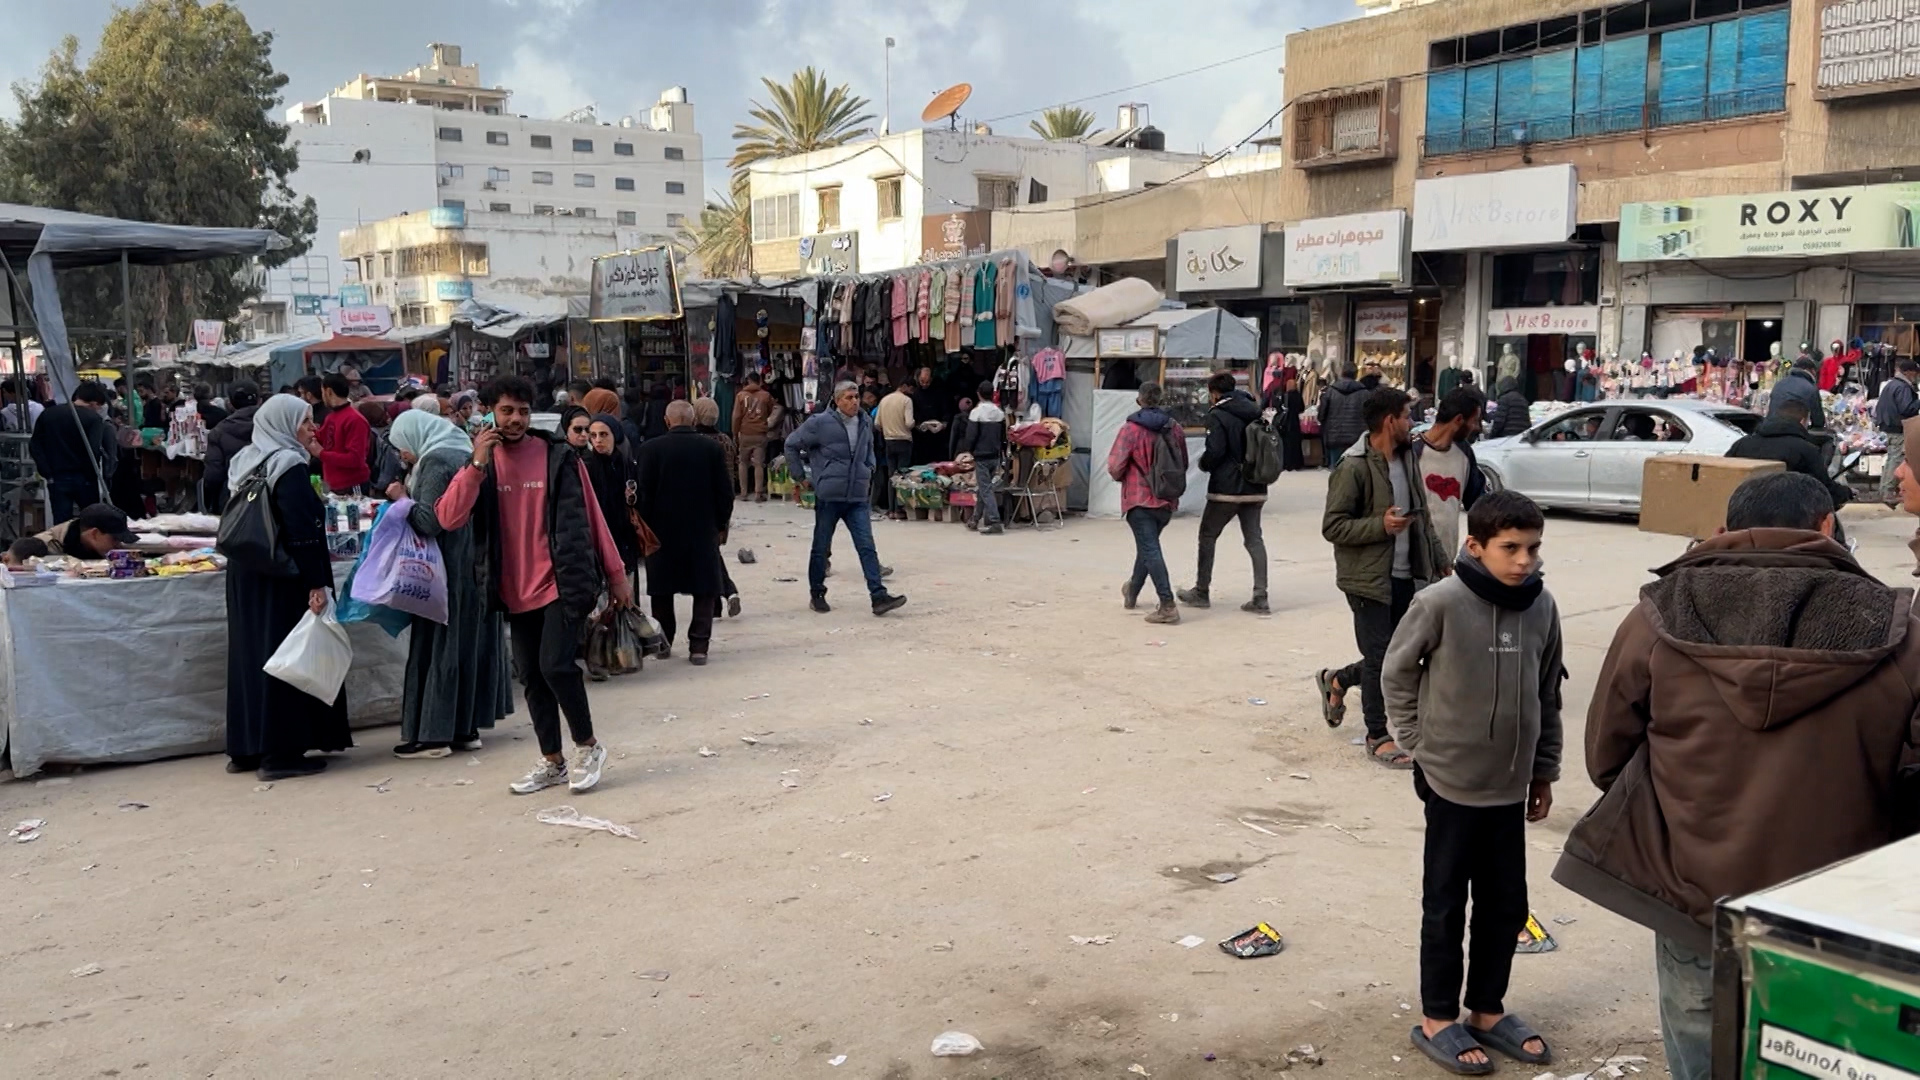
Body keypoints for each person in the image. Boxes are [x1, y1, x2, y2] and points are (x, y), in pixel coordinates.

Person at [1553, 470, 1920, 1080]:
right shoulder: (1896, 629)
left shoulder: (1659, 618)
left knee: (1700, 1055)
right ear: (1826, 525)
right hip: (1834, 917)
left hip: (1694, 899)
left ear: (1727, 527)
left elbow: (1605, 757)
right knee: (1807, 1057)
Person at [1385, 491, 1561, 1075]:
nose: (1523, 561)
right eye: (1509, 548)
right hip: (1452, 784)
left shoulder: (1542, 608)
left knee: (1506, 903)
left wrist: (1544, 768)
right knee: (1444, 904)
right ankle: (1439, 1016)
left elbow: (1547, 695)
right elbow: (1395, 674)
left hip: (1511, 785)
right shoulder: (1440, 602)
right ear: (1475, 546)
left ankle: (1486, 1010)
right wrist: (1417, 745)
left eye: (1532, 548)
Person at [435, 375, 631, 796]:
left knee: (556, 665)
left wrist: (617, 575)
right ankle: (552, 761)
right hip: (511, 588)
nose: (516, 419)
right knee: (532, 676)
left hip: (561, 581)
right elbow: (448, 518)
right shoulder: (479, 464)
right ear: (489, 412)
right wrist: (475, 466)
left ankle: (588, 747)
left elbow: (594, 517)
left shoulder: (557, 455)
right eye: (506, 411)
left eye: (523, 411)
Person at [222, 395, 351, 781]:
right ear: (284, 424)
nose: (314, 428)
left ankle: (248, 748)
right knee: (290, 656)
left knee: (252, 656)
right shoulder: (289, 464)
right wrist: (316, 583)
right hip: (284, 575)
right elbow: (301, 532)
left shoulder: (246, 461)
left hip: (249, 573)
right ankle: (281, 753)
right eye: (305, 421)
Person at [1318, 387, 1448, 769]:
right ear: (1390, 421)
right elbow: (1333, 526)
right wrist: (1380, 525)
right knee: (1380, 658)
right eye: (1407, 416)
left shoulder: (1408, 458)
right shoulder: (1354, 465)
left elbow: (1422, 513)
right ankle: (1377, 735)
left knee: (1401, 655)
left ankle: (1338, 680)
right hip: (1368, 580)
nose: (1412, 422)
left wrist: (1439, 559)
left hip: (1408, 576)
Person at [384, 410, 510, 760]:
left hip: (445, 571)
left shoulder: (438, 461)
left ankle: (433, 735)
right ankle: (464, 729)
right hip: (476, 568)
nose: (402, 455)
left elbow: (430, 521)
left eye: (401, 447)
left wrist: (400, 498)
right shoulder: (466, 454)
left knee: (439, 646)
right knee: (467, 644)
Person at [787, 381, 908, 616]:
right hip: (829, 496)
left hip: (857, 497)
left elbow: (870, 449)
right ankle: (817, 593)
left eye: (856, 397)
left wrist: (868, 468)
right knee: (821, 548)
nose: (854, 402)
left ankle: (878, 596)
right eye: (848, 397)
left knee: (866, 546)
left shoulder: (864, 422)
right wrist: (799, 476)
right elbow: (791, 444)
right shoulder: (819, 423)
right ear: (837, 400)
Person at [633, 401, 735, 663]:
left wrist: (644, 528)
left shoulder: (649, 450)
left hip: (661, 531)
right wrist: (721, 523)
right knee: (704, 587)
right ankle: (699, 646)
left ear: (667, 421)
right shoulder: (711, 448)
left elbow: (643, 494)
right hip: (702, 529)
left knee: (662, 589)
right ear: (692, 420)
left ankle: (664, 642)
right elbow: (725, 491)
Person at [1179, 372, 1269, 613]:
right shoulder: (1254, 409)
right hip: (1256, 485)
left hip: (1226, 489)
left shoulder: (1217, 414)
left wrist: (1204, 464)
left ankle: (1201, 591)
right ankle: (1260, 596)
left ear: (1214, 392)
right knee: (1254, 539)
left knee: (1208, 535)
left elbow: (1216, 450)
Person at [1107, 381, 1186, 626]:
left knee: (1150, 549)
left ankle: (1167, 604)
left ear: (1139, 400)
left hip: (1139, 498)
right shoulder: (1174, 428)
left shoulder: (1130, 429)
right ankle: (1132, 591)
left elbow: (1115, 466)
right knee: (1148, 546)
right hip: (1166, 499)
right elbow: (1182, 462)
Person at [1726, 397, 1852, 514]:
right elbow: (1823, 488)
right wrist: (1845, 493)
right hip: (1788, 521)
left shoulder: (1742, 444)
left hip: (1742, 515)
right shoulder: (1806, 450)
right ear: (1803, 421)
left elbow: (1724, 474)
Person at [1411, 388, 1489, 556]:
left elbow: (1478, 504)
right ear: (1459, 420)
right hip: (1412, 561)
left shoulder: (1464, 454)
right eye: (1475, 421)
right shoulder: (1412, 452)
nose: (1477, 428)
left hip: (1446, 559)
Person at [29, 381, 117, 522]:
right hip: (84, 478)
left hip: (56, 476)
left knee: (61, 521)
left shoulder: (48, 414)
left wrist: (46, 472)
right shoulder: (93, 419)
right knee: (90, 520)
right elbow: (93, 449)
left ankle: (64, 543)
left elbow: (35, 445)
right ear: (94, 403)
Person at [691, 399, 743, 615]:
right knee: (711, 552)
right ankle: (718, 603)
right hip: (723, 505)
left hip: (700, 507)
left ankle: (728, 591)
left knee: (707, 555)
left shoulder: (696, 442)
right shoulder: (725, 440)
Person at [584, 414, 643, 587]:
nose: (598, 440)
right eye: (593, 435)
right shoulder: (587, 465)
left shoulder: (626, 464)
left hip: (624, 537)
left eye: (603, 434)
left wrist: (632, 497)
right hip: (598, 538)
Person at [956, 380, 1007, 535]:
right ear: (993, 394)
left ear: (978, 394)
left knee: (985, 489)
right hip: (995, 456)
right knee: (984, 488)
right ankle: (975, 519)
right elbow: (1003, 437)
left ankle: (995, 521)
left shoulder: (976, 413)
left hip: (982, 456)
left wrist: (968, 451)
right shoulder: (999, 413)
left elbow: (971, 436)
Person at [204, 385, 261, 511]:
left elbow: (213, 475)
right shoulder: (273, 426)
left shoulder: (219, 431)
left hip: (231, 498)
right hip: (268, 496)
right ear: (259, 401)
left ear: (230, 404)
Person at [310, 374, 370, 494]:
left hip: (352, 485)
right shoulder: (331, 417)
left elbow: (355, 459)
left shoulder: (355, 420)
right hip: (334, 484)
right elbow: (322, 438)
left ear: (329, 392)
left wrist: (321, 454)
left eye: (322, 392)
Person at [1876, 358, 1920, 505]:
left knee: (1891, 458)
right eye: (1915, 373)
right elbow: (1907, 408)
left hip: (1888, 426)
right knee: (1896, 458)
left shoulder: (1891, 385)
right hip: (1897, 428)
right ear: (1909, 372)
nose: (1916, 376)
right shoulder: (1902, 387)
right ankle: (1888, 492)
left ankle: (1884, 490)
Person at [732, 372, 781, 501]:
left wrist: (735, 432)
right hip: (760, 433)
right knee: (759, 463)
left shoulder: (740, 396)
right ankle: (758, 493)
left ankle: (743, 493)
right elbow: (771, 410)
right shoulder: (766, 395)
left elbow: (736, 417)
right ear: (759, 381)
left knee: (743, 462)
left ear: (748, 381)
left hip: (745, 433)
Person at [32, 502, 140, 558]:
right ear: (94, 534)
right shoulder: (42, 548)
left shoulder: (94, 545)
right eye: (114, 539)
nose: (119, 546)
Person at [876, 379, 917, 519]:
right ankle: (899, 508)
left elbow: (877, 423)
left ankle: (891, 509)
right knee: (902, 475)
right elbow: (909, 423)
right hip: (903, 441)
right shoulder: (906, 401)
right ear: (904, 386)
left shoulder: (884, 400)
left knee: (891, 476)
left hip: (889, 441)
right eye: (911, 389)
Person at [1318, 364, 1369, 469]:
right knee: (1357, 469)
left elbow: (1322, 415)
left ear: (1341, 373)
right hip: (1357, 437)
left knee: (1337, 470)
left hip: (1335, 436)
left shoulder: (1330, 391)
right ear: (1356, 375)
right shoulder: (1365, 393)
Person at [1768, 355, 1826, 430]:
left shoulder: (1779, 384)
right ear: (1811, 370)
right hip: (1793, 432)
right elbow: (1818, 421)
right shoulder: (1810, 388)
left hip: (1771, 429)